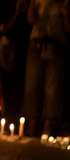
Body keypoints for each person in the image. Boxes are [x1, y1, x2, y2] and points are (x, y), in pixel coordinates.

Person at [22, 0, 69, 135]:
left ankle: (49, 122)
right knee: (32, 82)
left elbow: (67, 27)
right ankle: (31, 121)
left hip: (57, 42)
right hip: (37, 40)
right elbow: (31, 20)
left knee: (52, 84)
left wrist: (64, 11)